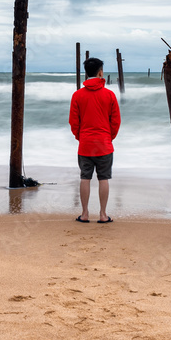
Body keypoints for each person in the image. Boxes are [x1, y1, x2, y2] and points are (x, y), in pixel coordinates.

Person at [69, 56, 121, 223]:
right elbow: (116, 121)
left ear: (86, 73)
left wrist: (81, 137)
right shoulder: (109, 95)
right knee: (103, 178)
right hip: (104, 144)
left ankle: (84, 214)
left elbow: (73, 121)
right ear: (100, 72)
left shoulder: (77, 95)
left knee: (85, 177)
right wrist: (109, 137)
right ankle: (103, 214)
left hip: (85, 144)